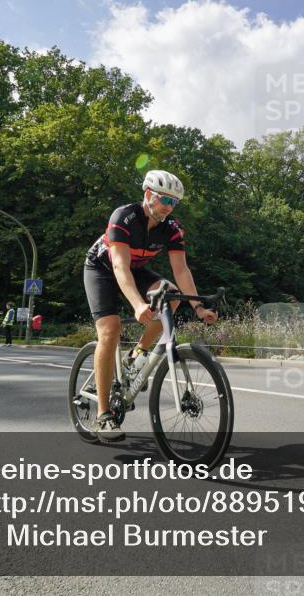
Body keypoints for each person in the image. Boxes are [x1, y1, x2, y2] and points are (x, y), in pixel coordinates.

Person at [83, 170, 218, 442]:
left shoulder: (173, 229)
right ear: (148, 195)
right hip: (103, 269)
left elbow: (181, 271)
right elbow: (120, 266)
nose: (169, 207)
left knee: (173, 294)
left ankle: (137, 354)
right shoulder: (124, 217)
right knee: (110, 330)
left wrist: (198, 308)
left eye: (174, 203)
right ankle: (103, 415)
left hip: (136, 269)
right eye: (164, 200)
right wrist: (136, 304)